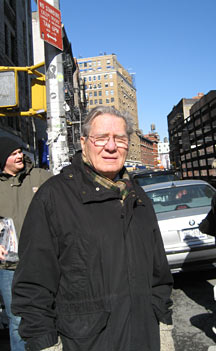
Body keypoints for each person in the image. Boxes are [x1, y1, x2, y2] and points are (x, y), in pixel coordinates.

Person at [11, 106, 173, 351]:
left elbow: (159, 275)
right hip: (85, 343)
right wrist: (46, 346)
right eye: (101, 138)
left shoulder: (139, 198)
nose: (111, 146)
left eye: (119, 138)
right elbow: (33, 286)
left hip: (144, 338)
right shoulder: (54, 197)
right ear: (84, 142)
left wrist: (163, 329)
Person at [0, 136, 52, 351]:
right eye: (13, 154)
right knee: (17, 320)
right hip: (10, 267)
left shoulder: (40, 177)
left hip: (45, 262)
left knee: (50, 314)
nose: (20, 155)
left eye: (20, 151)